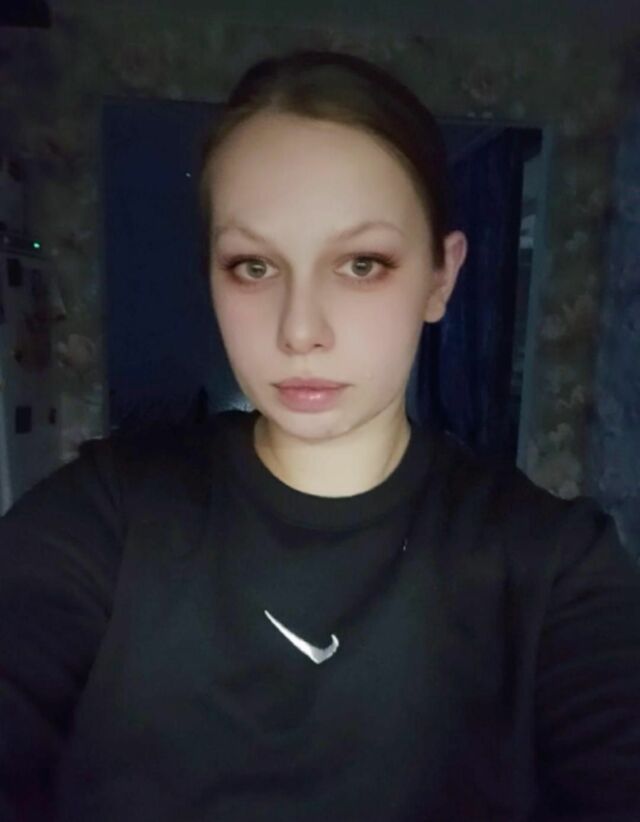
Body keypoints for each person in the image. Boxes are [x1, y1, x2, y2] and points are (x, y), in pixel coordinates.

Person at [1, 49, 640, 822]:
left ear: (441, 278)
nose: (300, 330)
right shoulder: (109, 514)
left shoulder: (555, 567)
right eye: (253, 266)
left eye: (362, 264)